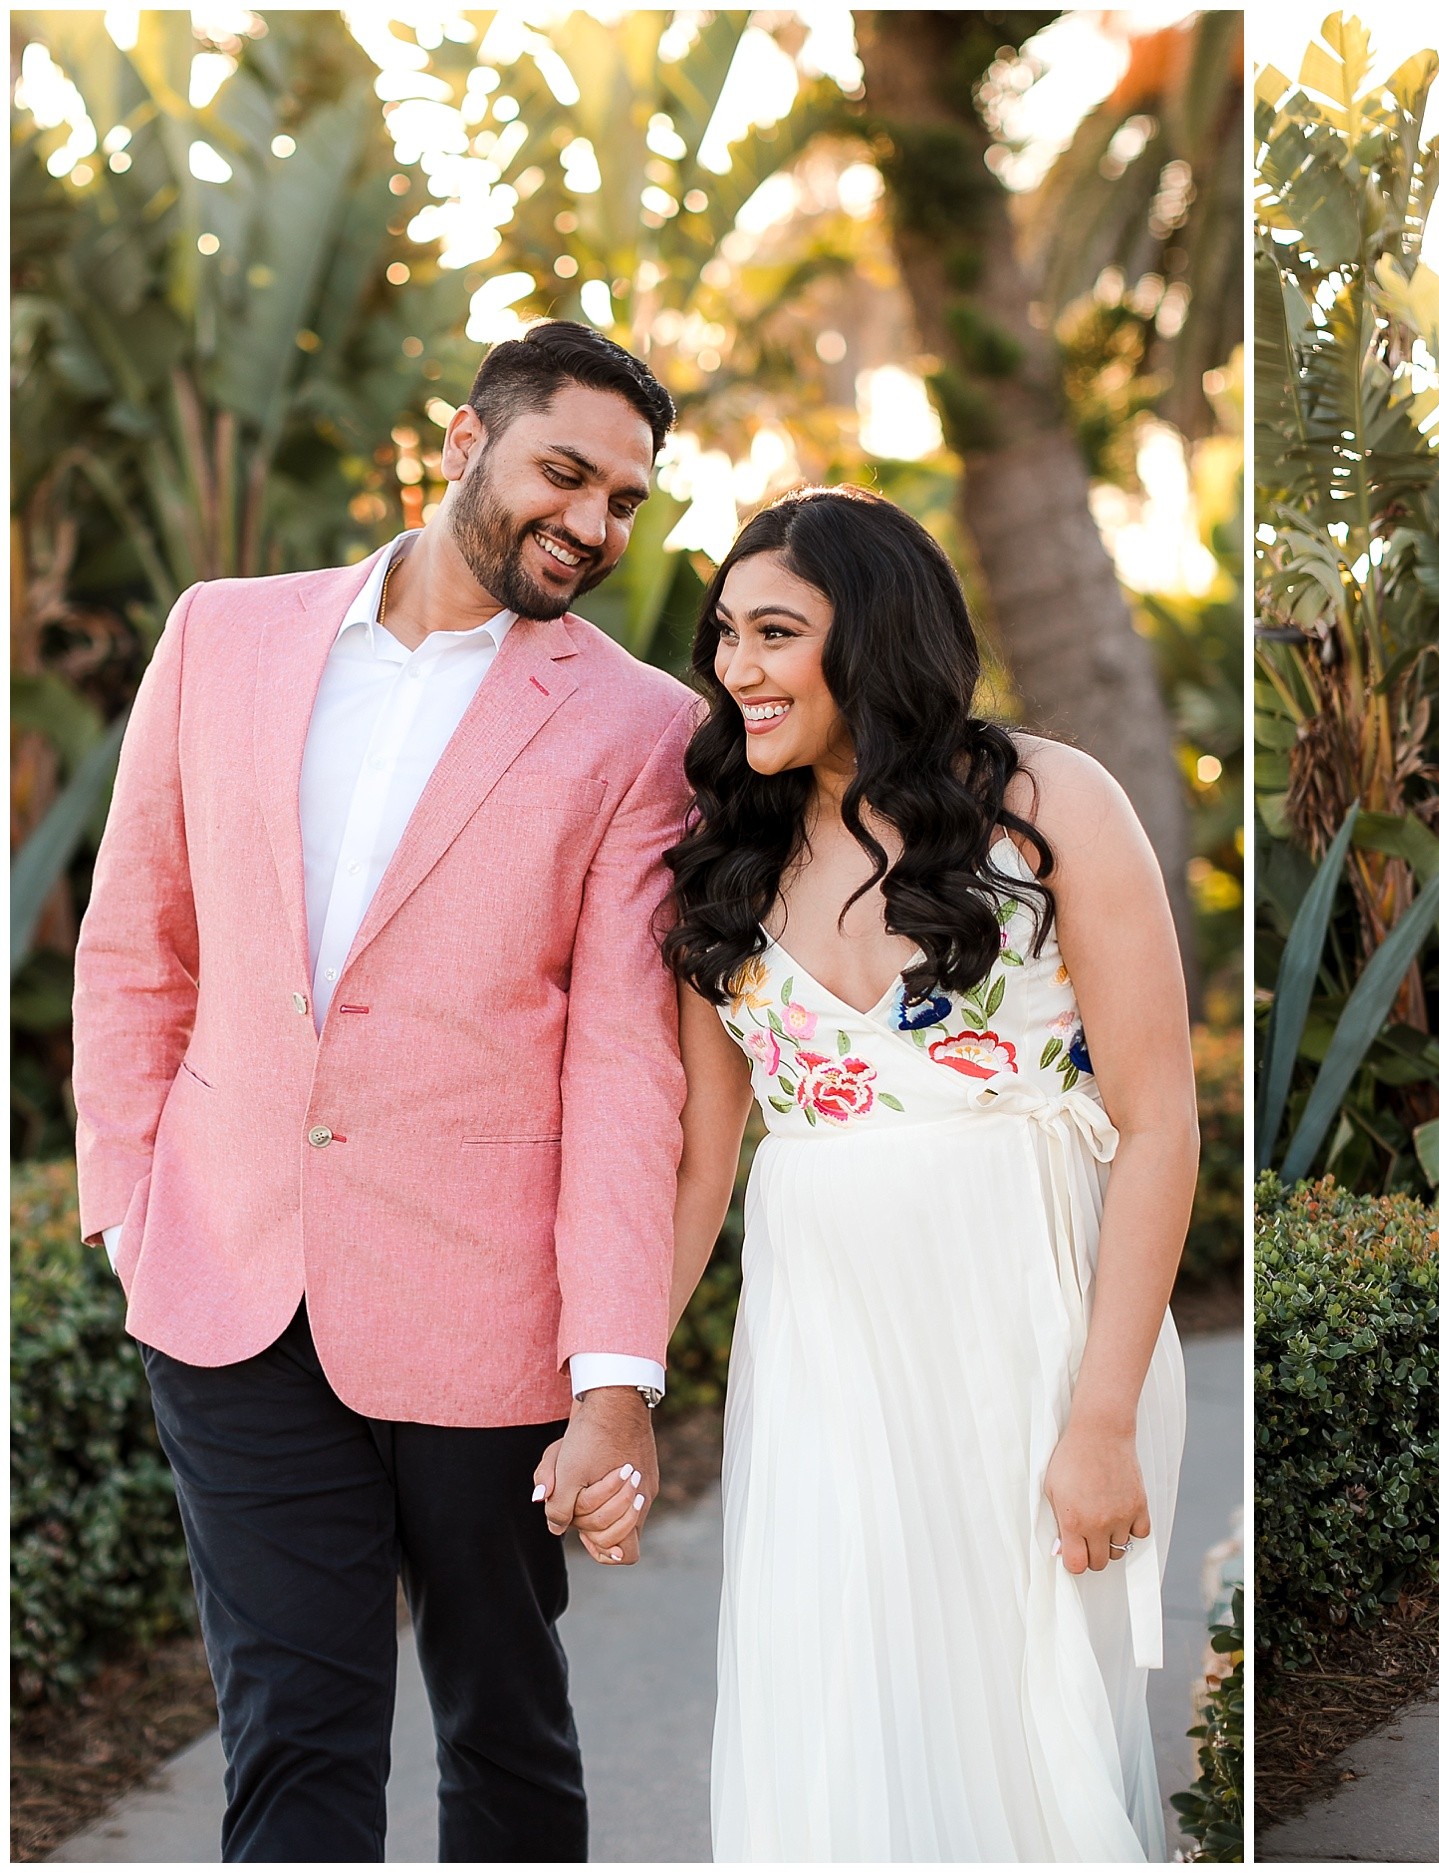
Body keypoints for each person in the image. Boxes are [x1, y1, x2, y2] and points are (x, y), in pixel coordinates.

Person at [70, 320, 695, 1860]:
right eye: (566, 472)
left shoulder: (642, 729)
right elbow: (138, 940)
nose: (593, 525)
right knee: (293, 1726)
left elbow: (628, 1065)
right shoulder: (224, 633)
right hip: (226, 1286)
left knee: (504, 1724)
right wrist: (128, 1211)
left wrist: (616, 1371)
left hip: (488, 1315)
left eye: (624, 501)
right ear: (464, 436)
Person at [648, 485, 1194, 1860]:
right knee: (841, 1696)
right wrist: (618, 1386)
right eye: (726, 634)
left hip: (1028, 1318)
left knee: (1022, 1721)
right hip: (826, 1345)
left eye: (777, 632)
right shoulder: (727, 853)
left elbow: (1160, 1121)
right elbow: (703, 1165)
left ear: (876, 635)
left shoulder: (1048, 800)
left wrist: (1104, 1417)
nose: (738, 668)